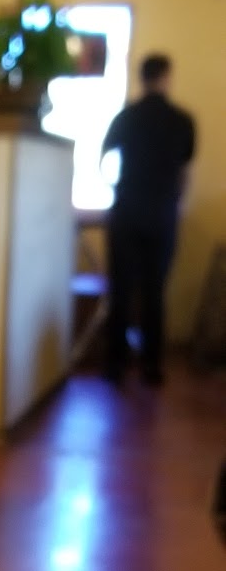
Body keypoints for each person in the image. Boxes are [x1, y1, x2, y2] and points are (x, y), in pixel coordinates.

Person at [99, 54, 195, 385]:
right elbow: (185, 170)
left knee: (121, 291)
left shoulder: (127, 116)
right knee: (155, 292)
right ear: (166, 77)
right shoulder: (181, 120)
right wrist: (176, 203)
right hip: (162, 213)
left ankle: (115, 366)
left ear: (142, 78)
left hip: (127, 211)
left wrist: (116, 189)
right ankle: (151, 367)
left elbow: (104, 158)